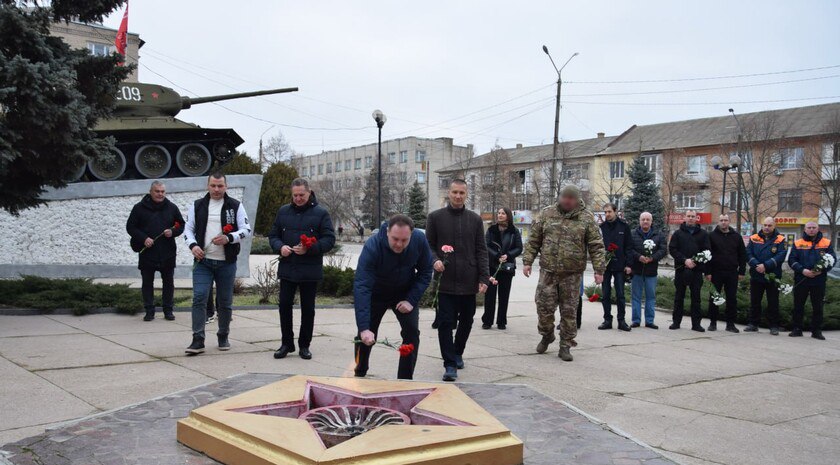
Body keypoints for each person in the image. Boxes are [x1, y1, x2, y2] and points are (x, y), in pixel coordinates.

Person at [523, 185, 605, 362]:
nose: (567, 200)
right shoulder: (546, 214)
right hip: (548, 272)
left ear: (577, 200)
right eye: (564, 197)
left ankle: (566, 345)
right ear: (559, 197)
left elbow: (596, 245)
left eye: (571, 198)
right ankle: (547, 335)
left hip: (572, 274)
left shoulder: (586, 218)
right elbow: (534, 240)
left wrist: (599, 269)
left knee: (569, 311)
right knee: (543, 308)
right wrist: (527, 262)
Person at [354, 215, 434, 380]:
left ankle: (404, 379)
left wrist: (411, 300)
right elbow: (362, 286)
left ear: (412, 235)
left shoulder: (419, 240)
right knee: (366, 333)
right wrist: (363, 328)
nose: (399, 244)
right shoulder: (373, 245)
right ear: (387, 232)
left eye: (404, 240)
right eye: (395, 239)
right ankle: (360, 370)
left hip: (404, 292)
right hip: (377, 292)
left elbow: (426, 272)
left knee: (411, 333)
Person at [426, 179, 489, 382]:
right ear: (449, 193)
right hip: (445, 280)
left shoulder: (475, 219)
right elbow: (428, 246)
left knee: (467, 320)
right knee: (445, 323)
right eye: (454, 192)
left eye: (462, 192)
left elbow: (481, 250)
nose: (458, 196)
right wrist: (435, 260)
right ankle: (449, 364)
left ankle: (457, 351)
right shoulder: (435, 217)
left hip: (469, 279)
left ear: (466, 194)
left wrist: (484, 278)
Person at [183, 173, 251, 355]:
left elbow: (246, 230)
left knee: (225, 302)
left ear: (226, 186)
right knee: (199, 297)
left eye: (220, 186)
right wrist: (193, 245)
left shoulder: (235, 206)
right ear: (208, 186)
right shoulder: (197, 205)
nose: (216, 189)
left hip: (226, 263)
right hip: (202, 262)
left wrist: (229, 238)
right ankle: (198, 339)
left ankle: (223, 334)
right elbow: (188, 229)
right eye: (213, 185)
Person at [269, 178, 335, 360]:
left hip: (310, 270)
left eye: (301, 195)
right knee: (284, 306)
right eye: (295, 195)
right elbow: (273, 235)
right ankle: (286, 344)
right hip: (288, 267)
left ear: (309, 192)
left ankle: (304, 345)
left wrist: (310, 248)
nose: (298, 198)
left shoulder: (321, 213)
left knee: (308, 309)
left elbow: (329, 239)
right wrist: (280, 246)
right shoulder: (283, 211)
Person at [126, 180, 185, 322]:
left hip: (167, 253)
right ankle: (149, 311)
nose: (160, 194)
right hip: (147, 252)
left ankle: (168, 310)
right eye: (157, 191)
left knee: (168, 283)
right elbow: (130, 227)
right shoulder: (139, 208)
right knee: (147, 283)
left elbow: (182, 225)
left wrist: (173, 232)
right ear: (150, 192)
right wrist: (144, 238)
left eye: (162, 191)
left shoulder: (172, 207)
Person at [788, 222, 835, 340]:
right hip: (801, 278)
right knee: (798, 305)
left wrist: (822, 270)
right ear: (805, 229)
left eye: (814, 228)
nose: (811, 230)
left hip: (818, 279)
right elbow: (792, 260)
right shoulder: (798, 243)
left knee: (818, 306)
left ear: (818, 229)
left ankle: (816, 331)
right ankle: (797, 329)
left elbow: (832, 259)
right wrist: (802, 270)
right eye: (809, 228)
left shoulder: (826, 243)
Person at [668, 210, 710, 332]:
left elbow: (707, 250)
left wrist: (695, 261)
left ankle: (696, 324)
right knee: (679, 297)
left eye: (693, 216)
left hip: (696, 271)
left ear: (697, 218)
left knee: (696, 298)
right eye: (689, 216)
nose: (691, 218)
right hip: (681, 269)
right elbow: (672, 249)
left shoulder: (703, 234)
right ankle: (676, 322)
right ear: (684, 218)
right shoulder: (678, 233)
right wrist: (684, 260)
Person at [482, 207, 523, 330]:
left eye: (503, 213)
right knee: (490, 296)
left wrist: (508, 255)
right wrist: (496, 256)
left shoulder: (514, 231)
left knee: (504, 296)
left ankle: (501, 321)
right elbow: (486, 245)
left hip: (507, 267)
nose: (500, 215)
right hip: (492, 266)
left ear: (508, 216)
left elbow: (519, 248)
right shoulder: (491, 230)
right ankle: (487, 321)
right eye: (499, 213)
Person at [745, 217, 787, 335]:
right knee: (755, 301)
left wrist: (766, 266)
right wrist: (756, 264)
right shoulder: (754, 238)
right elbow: (748, 253)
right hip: (756, 274)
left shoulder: (781, 239)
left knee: (773, 302)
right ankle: (753, 324)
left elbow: (781, 255)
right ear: (762, 226)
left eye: (769, 225)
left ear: (774, 226)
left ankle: (774, 326)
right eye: (765, 225)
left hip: (772, 276)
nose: (767, 227)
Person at [705, 214, 746, 332]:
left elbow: (742, 255)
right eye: (721, 220)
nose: (723, 222)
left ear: (729, 221)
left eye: (726, 220)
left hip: (732, 272)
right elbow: (707, 254)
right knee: (714, 298)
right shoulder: (711, 236)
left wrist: (742, 271)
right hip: (715, 272)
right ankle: (713, 323)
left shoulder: (737, 237)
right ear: (718, 222)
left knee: (732, 299)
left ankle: (730, 324)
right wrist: (707, 272)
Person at [627, 212, 667, 329]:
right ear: (639, 221)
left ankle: (649, 321)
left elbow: (663, 249)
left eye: (647, 219)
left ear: (651, 221)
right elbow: (629, 249)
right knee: (636, 297)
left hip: (651, 271)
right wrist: (639, 257)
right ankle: (636, 320)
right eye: (643, 219)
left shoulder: (658, 235)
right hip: (637, 270)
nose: (645, 221)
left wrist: (652, 258)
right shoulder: (633, 234)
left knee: (651, 297)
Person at [598, 203, 633, 331]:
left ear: (615, 211)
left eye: (609, 212)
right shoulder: (601, 228)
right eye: (605, 212)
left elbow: (629, 247)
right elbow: (597, 247)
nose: (607, 214)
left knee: (620, 295)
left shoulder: (624, 227)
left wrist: (629, 265)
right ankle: (607, 320)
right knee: (605, 294)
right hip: (605, 267)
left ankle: (621, 321)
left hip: (620, 266)